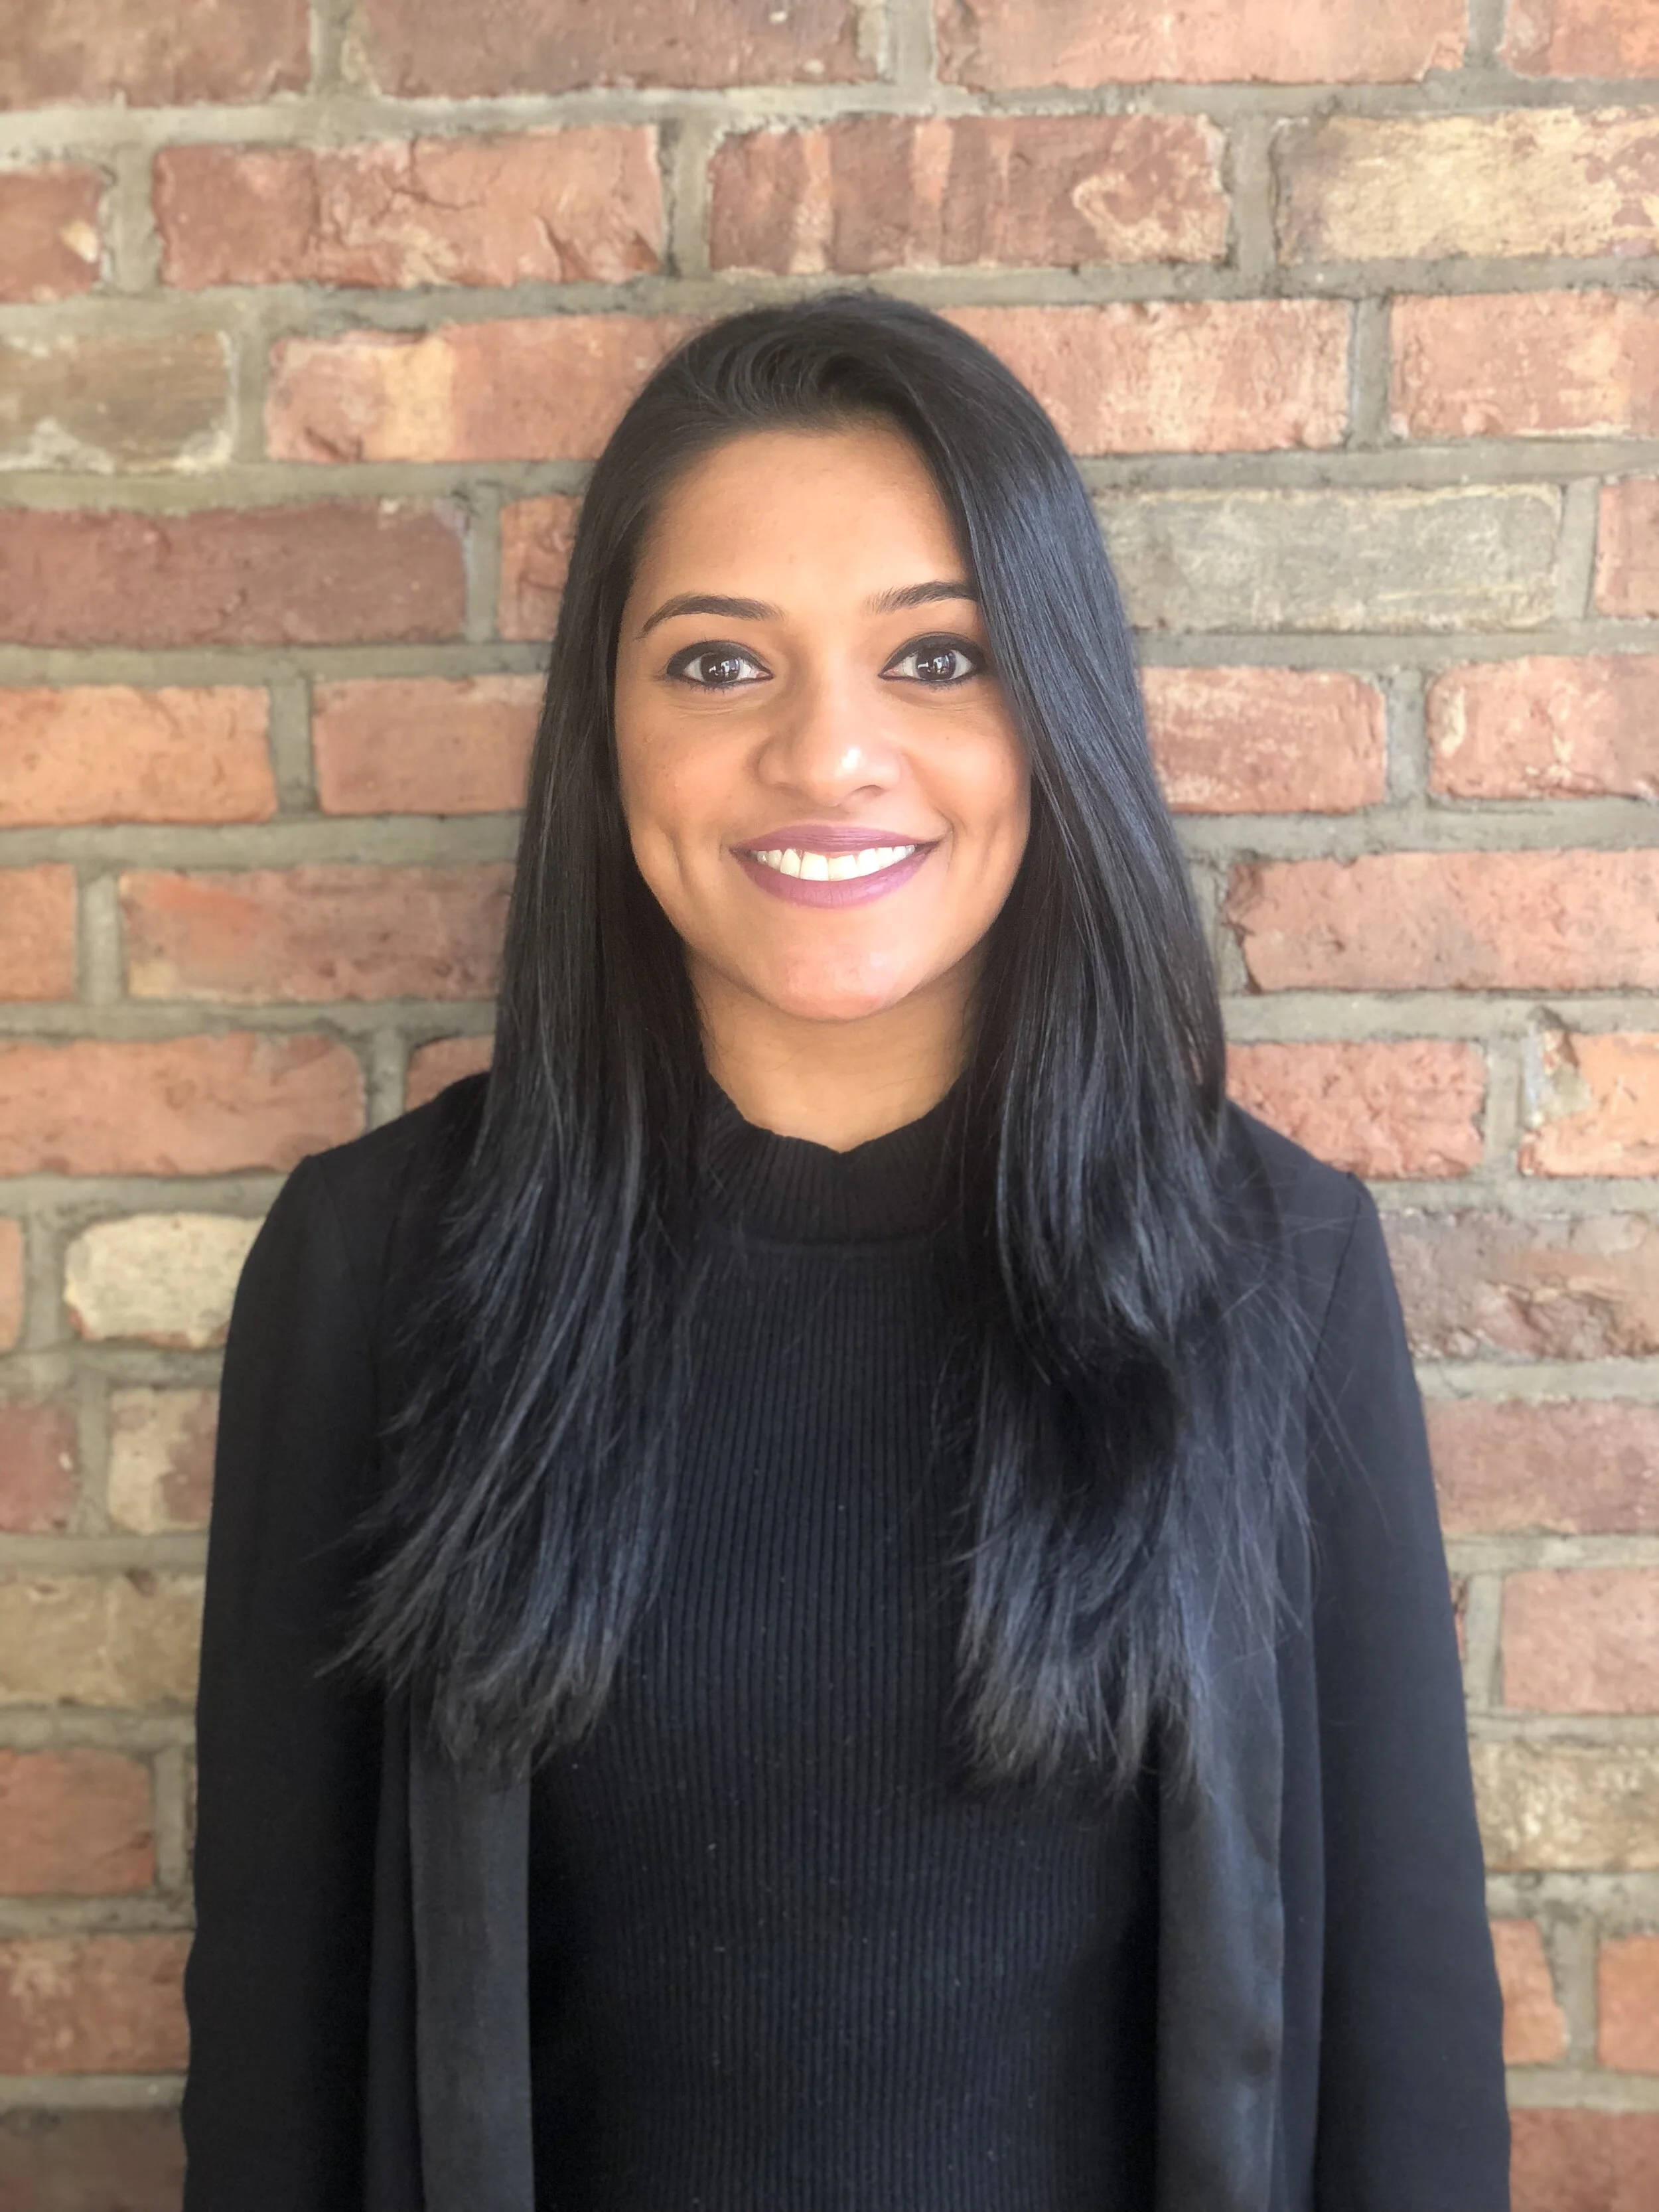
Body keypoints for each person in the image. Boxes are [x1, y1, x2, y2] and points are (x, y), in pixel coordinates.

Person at [180, 293, 1510, 2212]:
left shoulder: (1268, 1268)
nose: (829, 754)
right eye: (719, 662)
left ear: (1054, 711)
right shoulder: (377, 1267)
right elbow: (278, 2040)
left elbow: (1404, 2053)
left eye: (936, 657)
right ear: (606, 727)